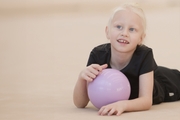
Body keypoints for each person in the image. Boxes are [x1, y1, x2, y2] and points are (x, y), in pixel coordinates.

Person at [73, 3, 180, 116]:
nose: (124, 33)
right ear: (107, 31)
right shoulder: (98, 55)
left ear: (141, 38)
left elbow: (146, 100)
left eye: (132, 29)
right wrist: (81, 78)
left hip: (164, 83)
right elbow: (80, 104)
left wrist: (122, 105)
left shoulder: (144, 54)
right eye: (119, 27)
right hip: (149, 72)